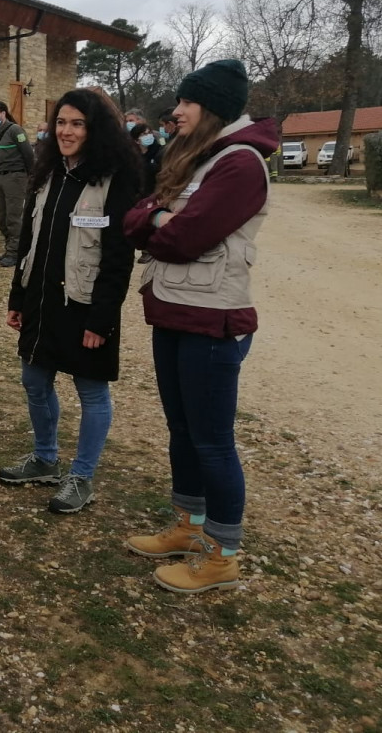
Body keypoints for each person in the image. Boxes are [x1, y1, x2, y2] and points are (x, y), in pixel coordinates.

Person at [123, 59, 277, 594]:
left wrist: (161, 219)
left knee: (212, 441)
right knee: (183, 430)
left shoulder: (239, 165)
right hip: (173, 310)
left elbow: (183, 239)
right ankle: (188, 527)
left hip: (212, 322)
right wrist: (160, 217)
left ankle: (221, 556)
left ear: (211, 107)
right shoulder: (195, 158)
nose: (177, 110)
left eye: (187, 103)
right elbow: (134, 217)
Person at [0, 88, 140, 513]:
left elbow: (118, 257)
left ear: (95, 129)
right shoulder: (48, 172)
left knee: (91, 392)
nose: (66, 130)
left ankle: (81, 476)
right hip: (41, 300)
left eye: (77, 123)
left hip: (84, 305)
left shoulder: (115, 178)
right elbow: (28, 240)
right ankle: (44, 458)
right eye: (61, 122)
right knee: (34, 381)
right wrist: (18, 295)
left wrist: (103, 319)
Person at [0, 100, 34, 268]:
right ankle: (9, 248)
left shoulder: (15, 130)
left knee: (13, 217)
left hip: (15, 176)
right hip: (0, 177)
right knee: (1, 217)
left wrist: (31, 175)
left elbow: (28, 153)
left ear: (3, 113)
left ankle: (15, 252)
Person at [131, 122, 164, 197]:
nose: (148, 136)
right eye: (144, 134)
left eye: (149, 133)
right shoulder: (133, 157)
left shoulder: (160, 151)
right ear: (137, 141)